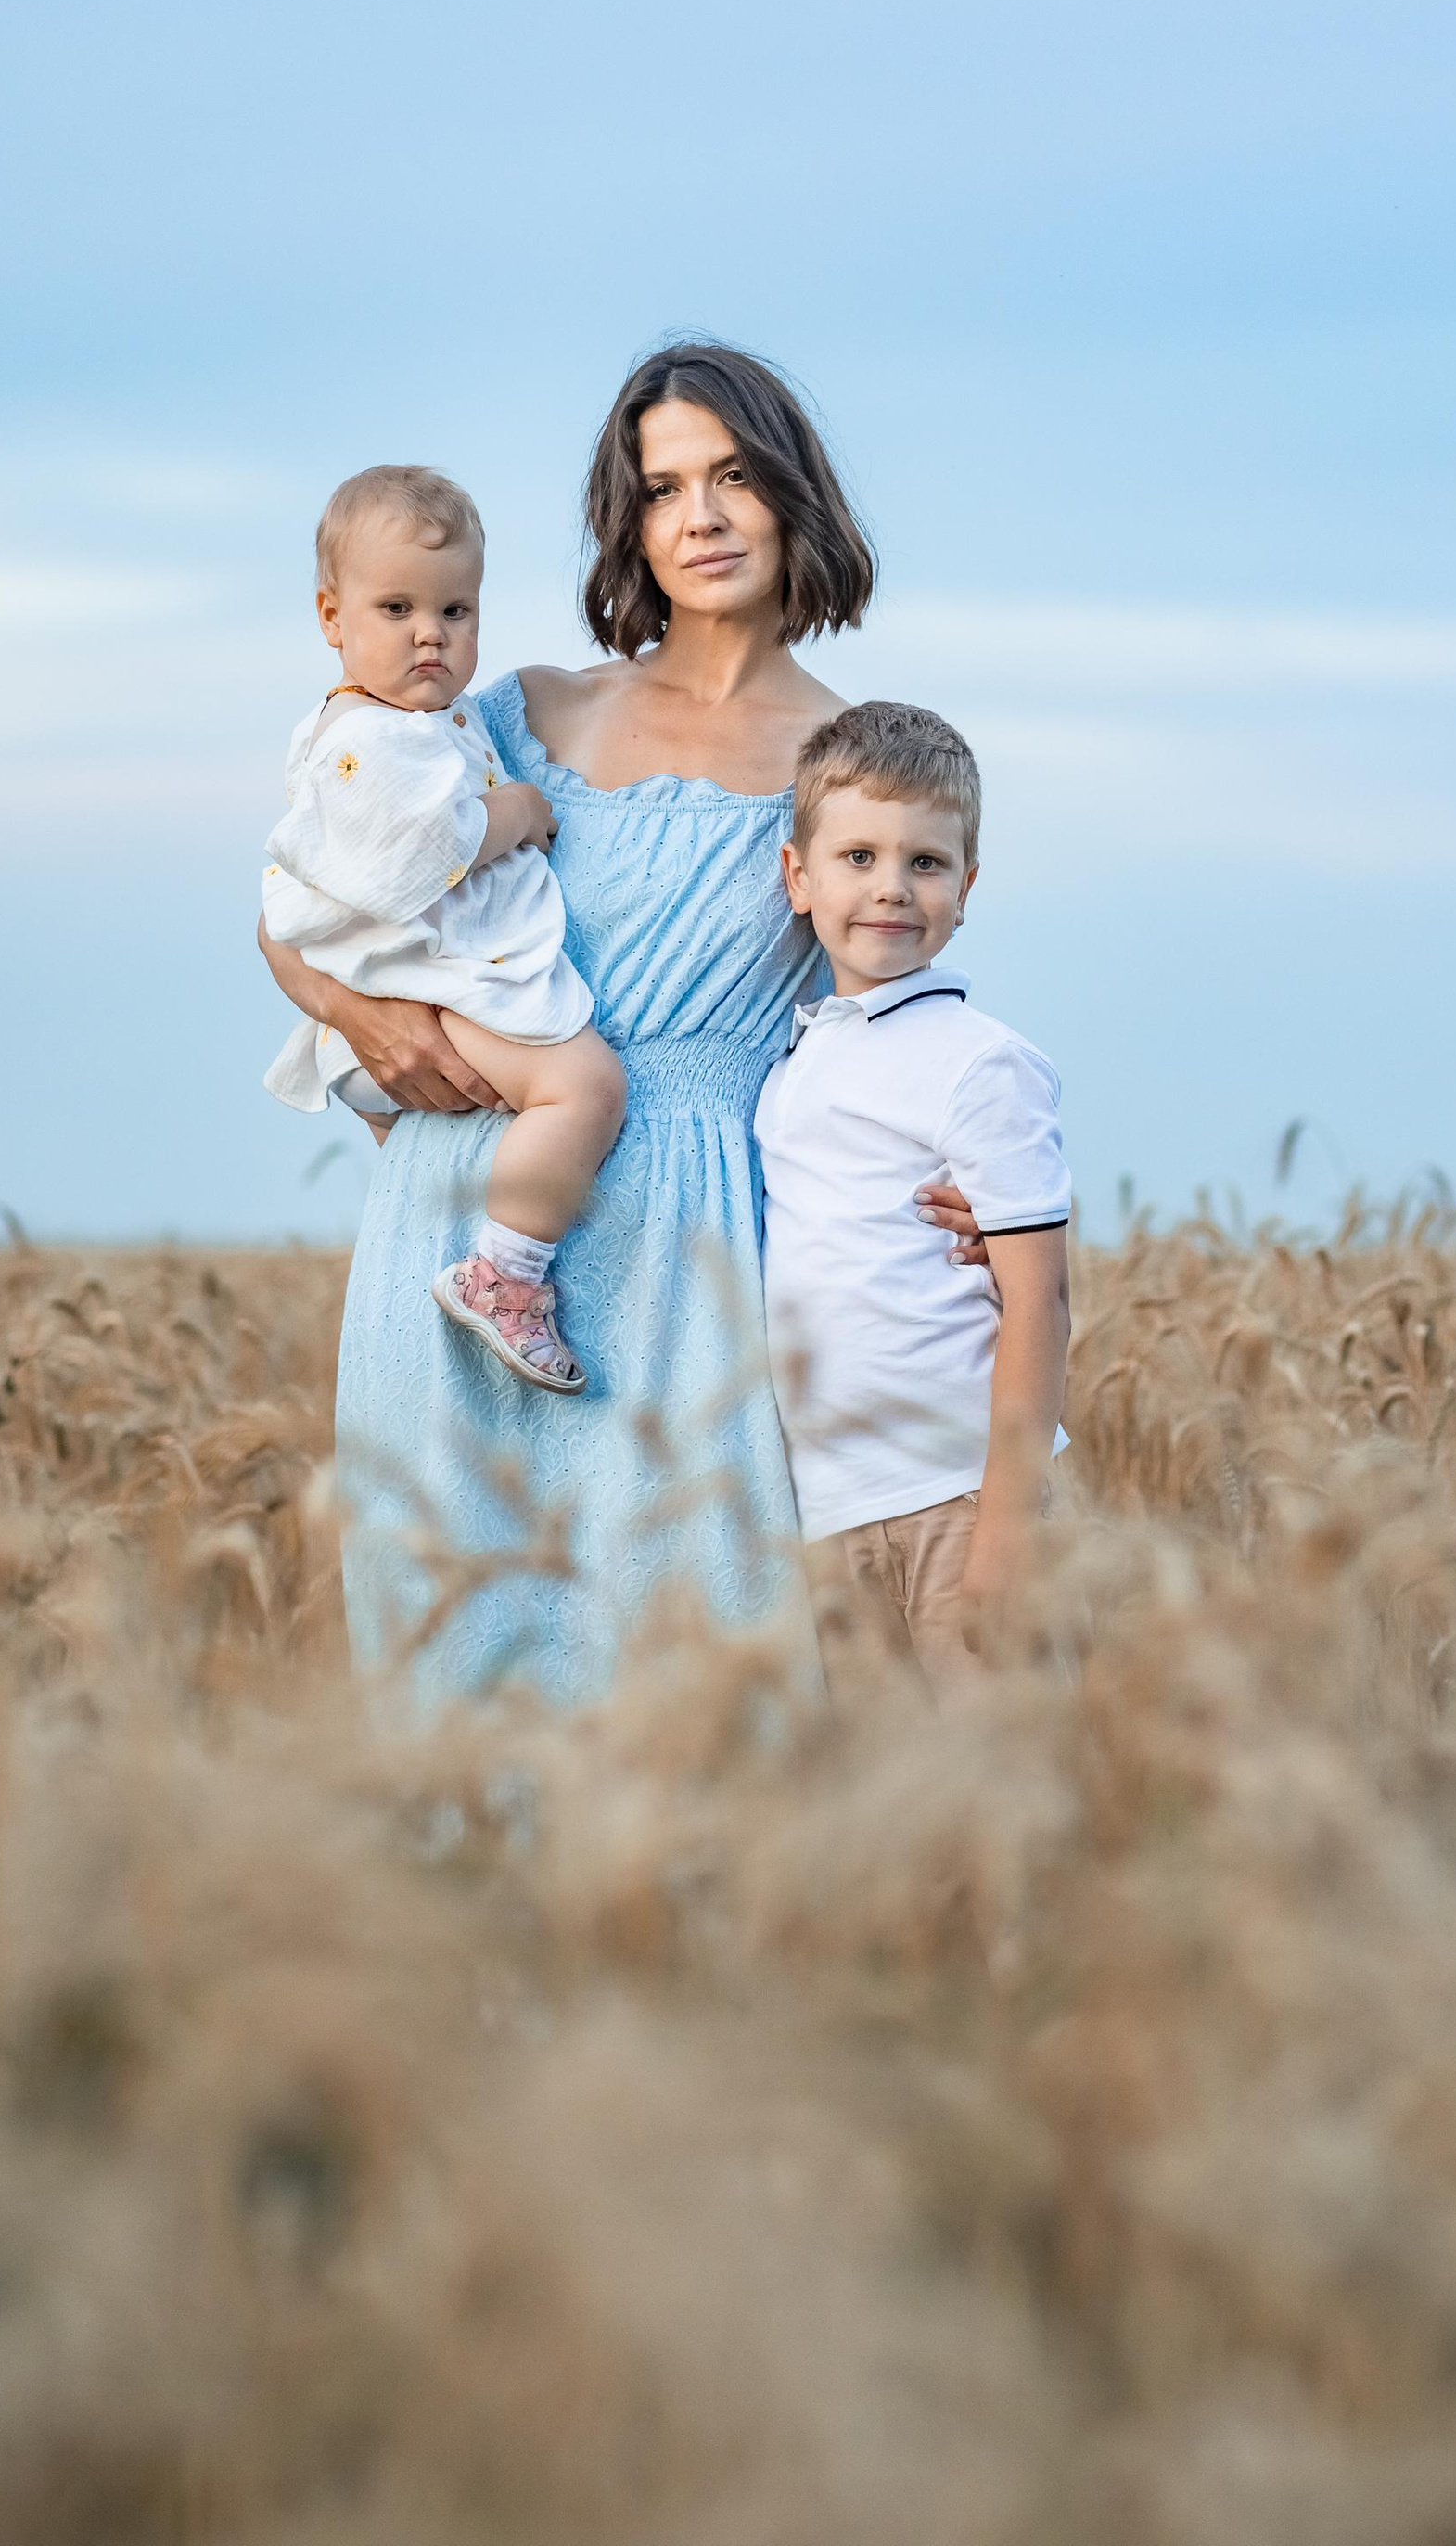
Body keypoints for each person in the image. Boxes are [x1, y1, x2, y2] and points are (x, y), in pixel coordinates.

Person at [257, 343, 983, 1706]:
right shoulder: (520, 712)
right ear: (628, 520)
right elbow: (305, 892)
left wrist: (957, 1181)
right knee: (451, 1692)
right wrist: (359, 1013)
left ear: (793, 495)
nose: (700, 516)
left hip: (693, 1263)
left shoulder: (850, 761)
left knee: (690, 1695)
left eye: (732, 477)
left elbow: (883, 1019)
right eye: (663, 489)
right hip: (456, 1219)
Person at [262, 464, 626, 1397]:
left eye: (455, 611)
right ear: (331, 619)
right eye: (396, 609)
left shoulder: (409, 723)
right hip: (422, 986)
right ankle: (504, 1276)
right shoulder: (373, 741)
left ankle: (443, 1211)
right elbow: (430, 847)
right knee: (583, 1087)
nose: (430, 633)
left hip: (408, 990)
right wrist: (518, 810)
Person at [758, 700, 1072, 1691]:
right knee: (891, 1821)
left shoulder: (980, 1063)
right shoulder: (791, 1060)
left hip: (959, 1498)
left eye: (925, 864)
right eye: (858, 858)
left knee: (1010, 1804)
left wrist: (1008, 1530)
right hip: (831, 1510)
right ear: (796, 877)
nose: (891, 888)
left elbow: (1040, 1300)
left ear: (966, 887)